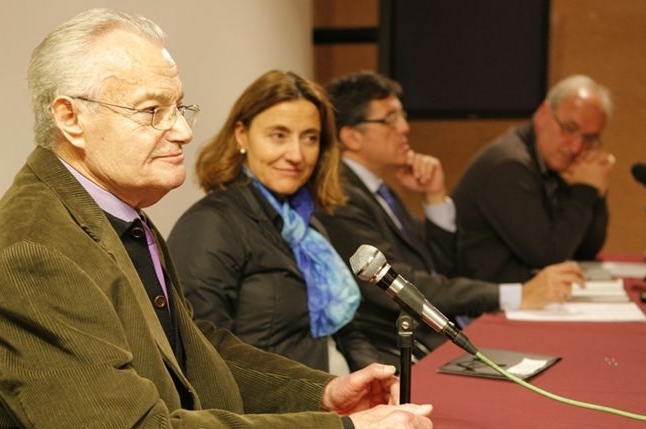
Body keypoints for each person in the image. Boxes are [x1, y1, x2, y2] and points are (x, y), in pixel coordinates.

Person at [0, 10, 436, 429]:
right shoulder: (35, 250)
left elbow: (194, 353)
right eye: (153, 111)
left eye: (179, 108)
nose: (183, 132)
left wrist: (323, 394)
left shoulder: (120, 213)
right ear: (71, 118)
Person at [319, 71, 584, 369]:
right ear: (351, 136)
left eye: (403, 116)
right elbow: (401, 284)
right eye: (390, 119)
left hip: (437, 334)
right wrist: (515, 294)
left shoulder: (377, 189)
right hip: (401, 349)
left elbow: (439, 268)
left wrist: (435, 198)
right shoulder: (339, 196)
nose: (405, 127)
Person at [167, 70, 367, 374]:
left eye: (310, 138)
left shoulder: (304, 224)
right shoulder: (210, 226)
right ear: (242, 136)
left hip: (339, 391)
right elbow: (205, 358)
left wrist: (380, 382)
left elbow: (347, 331)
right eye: (279, 135)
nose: (297, 155)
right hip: (281, 411)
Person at [451, 75, 615, 283]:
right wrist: (584, 191)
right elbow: (548, 256)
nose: (576, 147)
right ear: (543, 114)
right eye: (569, 129)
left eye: (590, 138)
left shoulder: (553, 162)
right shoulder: (509, 166)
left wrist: (595, 192)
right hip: (481, 307)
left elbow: (585, 250)